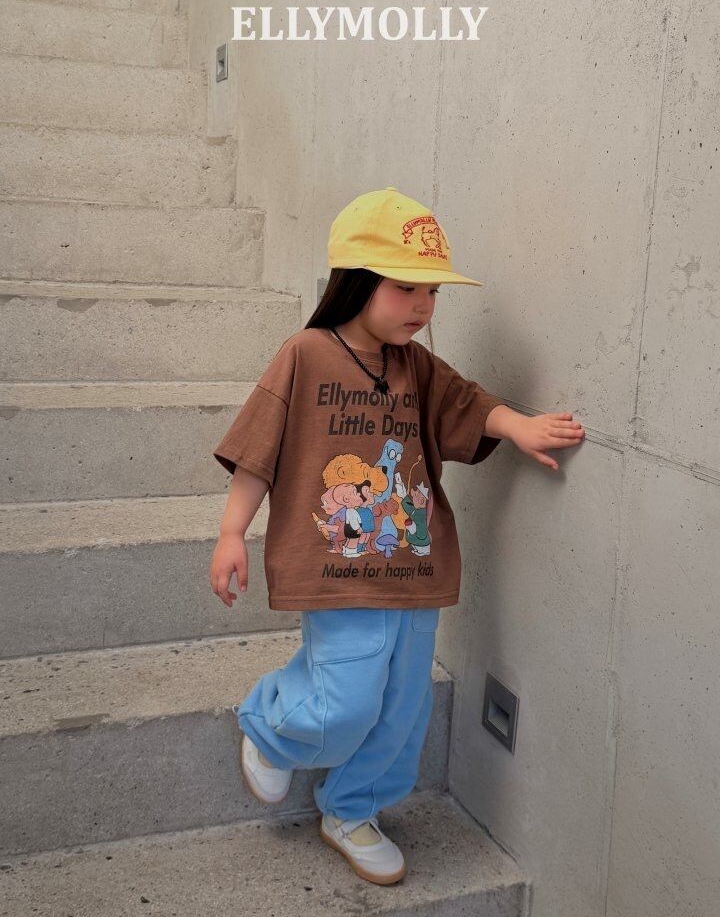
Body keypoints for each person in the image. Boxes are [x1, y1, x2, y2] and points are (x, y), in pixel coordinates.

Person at [209, 186, 585, 885]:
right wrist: (233, 532)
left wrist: (521, 427)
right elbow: (259, 449)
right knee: (345, 703)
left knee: (404, 712)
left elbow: (467, 404)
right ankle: (269, 724)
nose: (423, 305)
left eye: (432, 292)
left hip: (413, 567)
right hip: (335, 567)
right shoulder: (305, 354)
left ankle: (352, 810)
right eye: (405, 287)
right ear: (357, 281)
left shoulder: (415, 365)